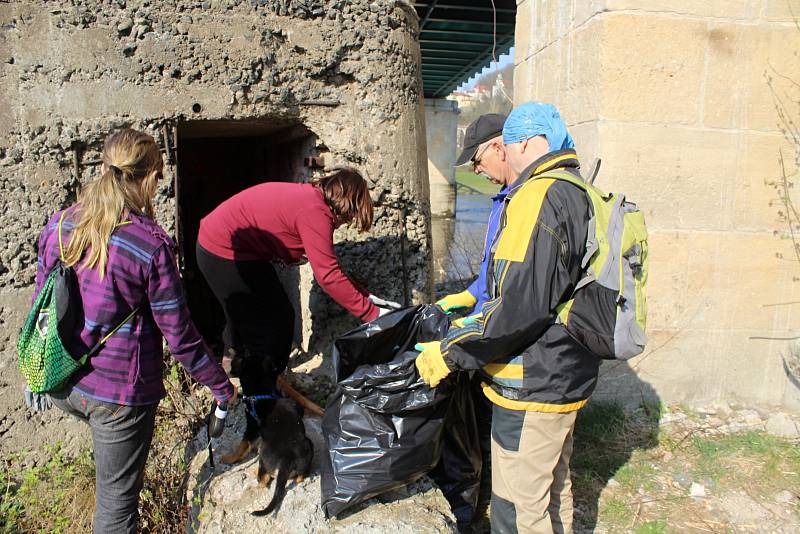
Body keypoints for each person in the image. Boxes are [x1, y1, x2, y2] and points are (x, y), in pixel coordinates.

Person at [28, 128, 236, 533]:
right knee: (116, 513)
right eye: (158, 178)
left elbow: (43, 307)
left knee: (110, 493)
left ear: (103, 168)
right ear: (150, 177)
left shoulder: (59, 227)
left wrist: (35, 373)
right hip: (117, 399)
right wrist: (221, 387)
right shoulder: (150, 246)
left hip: (63, 384)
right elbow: (181, 337)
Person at [415, 102, 593, 534]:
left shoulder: (537, 196)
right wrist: (469, 300)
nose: (496, 165)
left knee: (515, 509)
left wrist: (451, 352)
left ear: (525, 144)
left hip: (531, 382)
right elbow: (519, 282)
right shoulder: (575, 189)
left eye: (507, 148)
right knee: (551, 490)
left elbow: (516, 308)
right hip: (566, 374)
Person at [196, 167, 399, 460]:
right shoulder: (316, 213)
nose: (343, 225)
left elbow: (329, 265)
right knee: (271, 325)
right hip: (223, 249)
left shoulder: (311, 201)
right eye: (349, 217)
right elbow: (328, 276)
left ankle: (244, 373)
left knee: (262, 317)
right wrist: (371, 313)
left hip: (226, 243)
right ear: (346, 203)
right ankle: (262, 405)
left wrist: (364, 294)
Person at [436, 113, 511, 324]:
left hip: (495, 329)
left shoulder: (524, 200)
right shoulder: (503, 199)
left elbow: (519, 288)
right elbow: (494, 272)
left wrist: (478, 323)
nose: (475, 170)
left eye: (476, 160)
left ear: (498, 148)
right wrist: (471, 293)